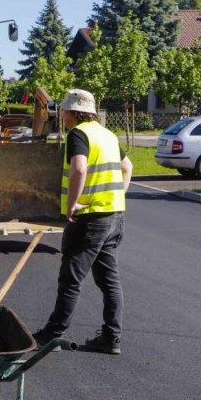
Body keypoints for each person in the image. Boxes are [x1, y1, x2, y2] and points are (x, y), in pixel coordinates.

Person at [33, 89, 132, 355]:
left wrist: (72, 204)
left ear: (73, 112)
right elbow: (128, 167)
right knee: (109, 280)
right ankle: (112, 338)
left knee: (71, 279)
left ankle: (52, 335)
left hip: (89, 219)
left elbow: (79, 168)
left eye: (64, 111)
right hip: (114, 217)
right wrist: (117, 194)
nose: (61, 115)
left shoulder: (79, 135)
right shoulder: (107, 135)